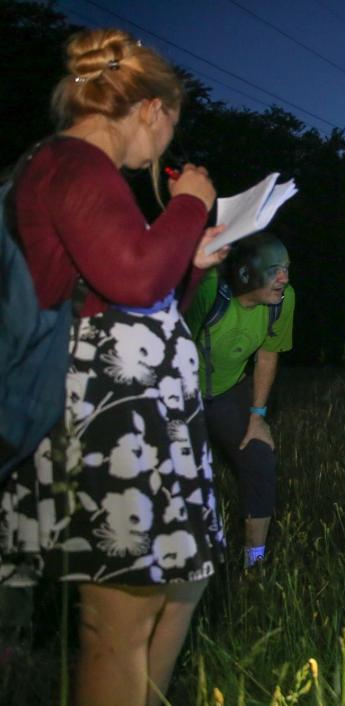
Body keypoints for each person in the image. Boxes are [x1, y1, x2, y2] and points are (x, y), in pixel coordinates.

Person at [0, 28, 226, 706]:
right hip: (103, 424)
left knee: (177, 587)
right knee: (116, 625)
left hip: (135, 417)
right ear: (152, 110)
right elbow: (130, 278)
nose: (162, 151)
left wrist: (190, 261)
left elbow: (133, 293)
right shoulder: (71, 163)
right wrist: (189, 202)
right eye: (169, 129)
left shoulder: (79, 170)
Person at [184, 232, 294, 569]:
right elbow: (172, 345)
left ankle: (255, 562)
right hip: (184, 392)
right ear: (246, 273)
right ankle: (188, 561)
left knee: (259, 457)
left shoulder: (283, 300)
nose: (284, 279)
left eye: (287, 268)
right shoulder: (209, 292)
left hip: (230, 390)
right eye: (275, 270)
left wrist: (257, 415)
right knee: (185, 476)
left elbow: (267, 355)